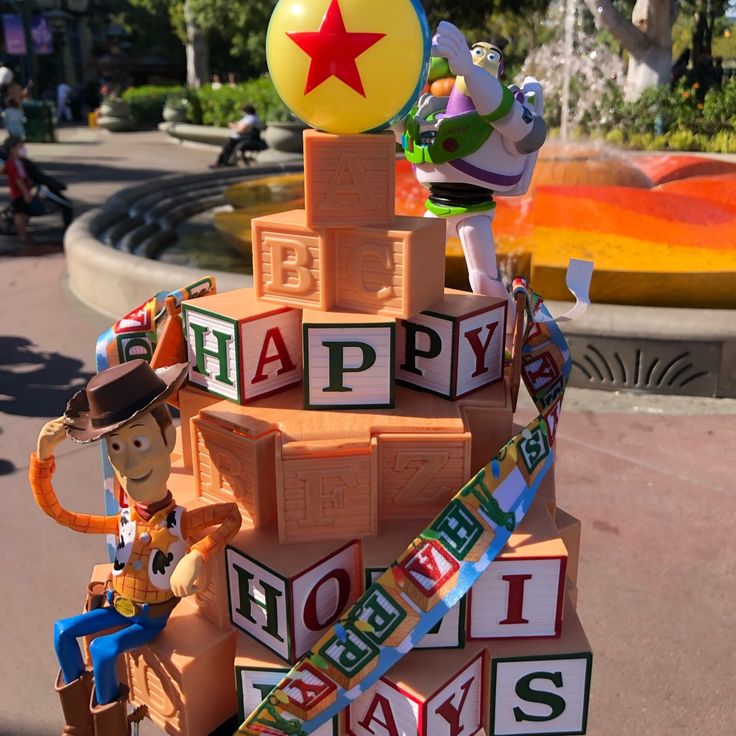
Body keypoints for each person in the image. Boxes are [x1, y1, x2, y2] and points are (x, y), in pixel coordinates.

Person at [29, 359, 242, 736]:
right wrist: (43, 457)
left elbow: (230, 516)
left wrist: (197, 553)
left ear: (167, 440)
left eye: (139, 442)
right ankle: (79, 724)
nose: (128, 462)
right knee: (63, 631)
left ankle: (112, 728)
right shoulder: (123, 519)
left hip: (149, 616)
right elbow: (59, 514)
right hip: (117, 604)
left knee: (103, 651)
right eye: (116, 447)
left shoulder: (181, 521)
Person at [210, 103, 264, 168]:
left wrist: (233, 126)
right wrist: (236, 126)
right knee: (227, 148)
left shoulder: (251, 119)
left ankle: (222, 162)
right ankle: (222, 162)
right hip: (240, 137)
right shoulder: (249, 118)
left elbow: (241, 130)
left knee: (227, 148)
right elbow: (240, 127)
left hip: (243, 138)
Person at [4, 135, 33, 243]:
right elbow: (18, 179)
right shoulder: (15, 163)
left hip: (17, 192)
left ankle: (23, 235)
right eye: (20, 147)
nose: (23, 149)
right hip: (19, 193)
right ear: (12, 149)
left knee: (22, 214)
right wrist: (26, 193)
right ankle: (22, 236)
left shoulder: (15, 161)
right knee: (20, 215)